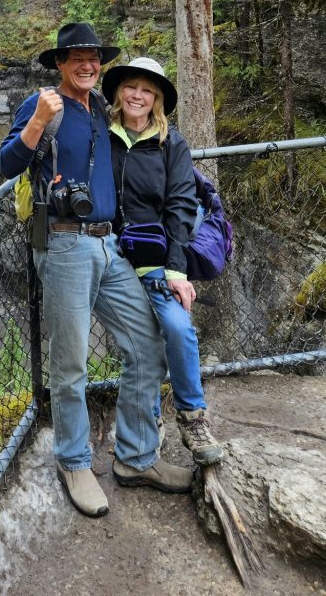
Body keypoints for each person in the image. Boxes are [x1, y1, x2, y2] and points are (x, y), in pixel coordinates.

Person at [0, 24, 194, 518]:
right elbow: (6, 162)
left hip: (110, 246)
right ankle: (74, 460)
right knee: (71, 364)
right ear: (60, 63)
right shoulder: (44, 104)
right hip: (64, 245)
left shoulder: (99, 110)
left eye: (94, 58)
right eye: (77, 58)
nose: (88, 65)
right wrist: (37, 122)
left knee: (148, 344)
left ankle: (135, 457)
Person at [102, 56, 224, 466]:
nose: (138, 95)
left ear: (156, 100)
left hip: (156, 259)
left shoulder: (172, 143)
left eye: (147, 90)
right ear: (119, 92)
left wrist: (176, 269)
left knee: (177, 327)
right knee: (142, 342)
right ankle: (149, 418)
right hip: (112, 255)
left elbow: (180, 208)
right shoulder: (104, 135)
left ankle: (192, 417)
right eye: (131, 87)